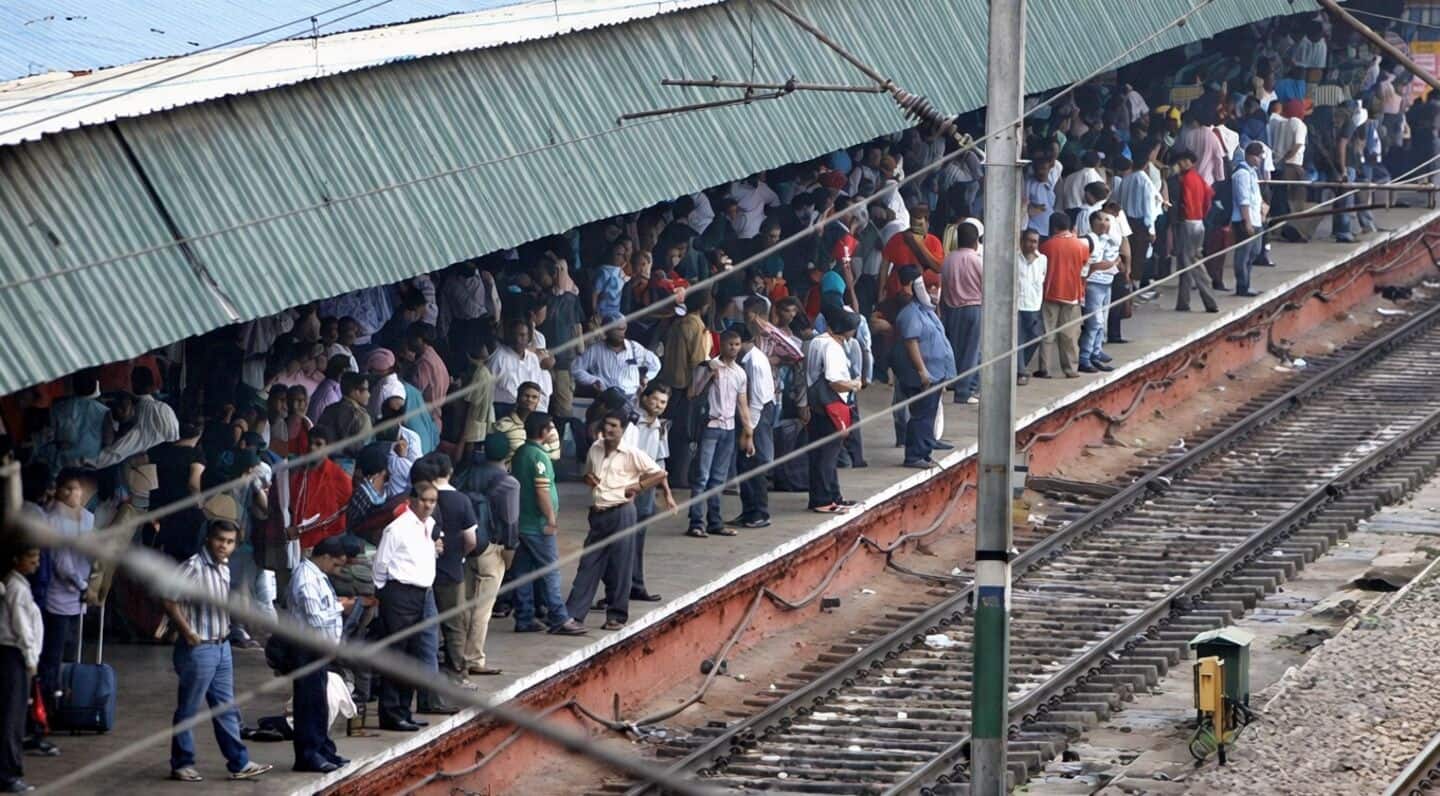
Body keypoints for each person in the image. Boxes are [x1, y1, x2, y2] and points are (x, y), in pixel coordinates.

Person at [164, 520, 272, 782]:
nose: (224, 545)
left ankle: (239, 763)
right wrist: (188, 632)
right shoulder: (193, 567)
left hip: (222, 646)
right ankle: (182, 763)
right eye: (219, 539)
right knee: (188, 709)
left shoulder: (223, 568)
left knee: (225, 707)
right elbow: (169, 599)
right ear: (208, 539)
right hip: (198, 648)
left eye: (229, 541)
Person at [566, 412, 674, 630]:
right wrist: (589, 479)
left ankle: (616, 615)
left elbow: (660, 473)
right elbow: (587, 473)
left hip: (622, 512)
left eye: (614, 426)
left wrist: (639, 487)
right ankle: (573, 616)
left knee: (620, 565)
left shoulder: (632, 453)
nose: (609, 429)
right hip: (598, 512)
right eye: (606, 424)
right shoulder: (595, 448)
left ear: (623, 430)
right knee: (588, 564)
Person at [372, 483, 442, 732]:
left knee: (413, 654)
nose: (429, 505)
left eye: (433, 501)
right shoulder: (397, 528)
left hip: (421, 594)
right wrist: (386, 592)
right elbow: (380, 565)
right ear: (412, 500)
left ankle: (404, 710)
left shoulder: (429, 527)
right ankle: (391, 713)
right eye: (424, 500)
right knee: (396, 654)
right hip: (399, 593)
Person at [452, 434, 526, 667]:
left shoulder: (467, 474)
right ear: (507, 454)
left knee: (463, 603)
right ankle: (473, 658)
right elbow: (511, 522)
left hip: (464, 545)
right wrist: (510, 549)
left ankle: (455, 653)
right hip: (491, 548)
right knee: (482, 608)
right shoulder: (508, 483)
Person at [511, 415, 586, 635]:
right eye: (551, 428)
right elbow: (542, 490)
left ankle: (524, 617)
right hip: (538, 524)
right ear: (543, 432)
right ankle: (559, 618)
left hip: (522, 522)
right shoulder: (539, 457)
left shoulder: (520, 453)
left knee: (523, 572)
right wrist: (551, 518)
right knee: (551, 571)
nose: (554, 432)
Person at [410, 453, 480, 684]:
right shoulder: (461, 500)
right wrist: (459, 555)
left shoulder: (415, 500)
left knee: (423, 627)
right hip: (451, 570)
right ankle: (458, 673)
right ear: (449, 472)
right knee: (455, 625)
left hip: (420, 573)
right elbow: (471, 539)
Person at [288, 536, 350, 773]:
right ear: (325, 557)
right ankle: (308, 755)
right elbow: (315, 617)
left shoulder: (318, 576)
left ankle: (323, 749)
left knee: (319, 703)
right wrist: (339, 606)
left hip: (320, 648)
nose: (337, 570)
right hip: (306, 648)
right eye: (336, 564)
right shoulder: (305, 578)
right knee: (308, 703)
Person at [685, 329, 754, 538]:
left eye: (737, 344)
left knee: (718, 478)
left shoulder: (740, 373)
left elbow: (742, 404)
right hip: (710, 427)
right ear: (721, 345)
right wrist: (708, 375)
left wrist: (749, 432)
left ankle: (714, 521)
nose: (733, 348)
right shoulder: (708, 366)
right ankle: (696, 522)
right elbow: (692, 392)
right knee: (702, 477)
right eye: (730, 344)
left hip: (729, 429)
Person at [38, 469, 92, 716]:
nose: (73, 493)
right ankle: (47, 708)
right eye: (67, 489)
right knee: (52, 653)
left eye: (77, 488)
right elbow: (61, 563)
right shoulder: (52, 520)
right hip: (58, 595)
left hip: (79, 596)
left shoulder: (88, 519)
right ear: (58, 491)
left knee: (67, 652)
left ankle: (59, 702)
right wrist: (84, 585)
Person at [893, 266, 956, 468]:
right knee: (921, 415)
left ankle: (925, 451)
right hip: (924, 375)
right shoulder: (910, 313)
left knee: (928, 415)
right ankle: (915, 455)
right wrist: (922, 372)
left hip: (937, 373)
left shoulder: (926, 311)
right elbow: (911, 343)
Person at [657, 290, 714, 489]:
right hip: (687, 385)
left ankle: (671, 473)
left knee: (672, 432)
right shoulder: (696, 325)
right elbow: (698, 361)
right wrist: (697, 387)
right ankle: (679, 477)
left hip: (671, 382)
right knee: (686, 432)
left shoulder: (677, 323)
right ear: (704, 306)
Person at [806, 311, 862, 512]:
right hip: (830, 405)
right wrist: (854, 385)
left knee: (823, 454)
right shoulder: (833, 347)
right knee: (827, 456)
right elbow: (835, 382)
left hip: (817, 405)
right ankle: (823, 500)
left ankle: (832, 496)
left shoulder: (818, 341)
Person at [1, 542, 43, 794]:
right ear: (17, 559)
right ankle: (8, 774)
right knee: (12, 720)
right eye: (31, 558)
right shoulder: (16, 587)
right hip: (14, 656)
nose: (36, 563)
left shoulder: (18, 585)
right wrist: (30, 658)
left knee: (13, 717)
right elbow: (22, 628)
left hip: (16, 656)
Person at [621, 384, 670, 597]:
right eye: (655, 400)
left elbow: (660, 462)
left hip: (647, 487)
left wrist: (666, 492)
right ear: (644, 398)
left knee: (638, 538)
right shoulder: (632, 422)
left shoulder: (660, 426)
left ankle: (636, 585)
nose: (658, 406)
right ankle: (618, 590)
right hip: (629, 485)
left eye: (663, 402)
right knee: (623, 539)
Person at [731, 328, 775, 530]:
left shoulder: (753, 363)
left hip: (757, 416)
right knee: (744, 465)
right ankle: (749, 510)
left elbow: (756, 401)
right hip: (753, 415)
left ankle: (759, 512)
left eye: (736, 344)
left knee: (754, 464)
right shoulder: (751, 358)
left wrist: (748, 432)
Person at [1036, 213, 1089, 378]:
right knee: (1070, 335)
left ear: (1053, 227)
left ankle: (1044, 368)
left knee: (1047, 333)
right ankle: (1071, 369)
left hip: (1050, 294)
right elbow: (1085, 271)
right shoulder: (1081, 246)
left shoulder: (1046, 246)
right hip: (1073, 295)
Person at [570, 314, 661, 408]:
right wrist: (594, 380)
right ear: (606, 330)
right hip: (606, 399)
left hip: (631, 400)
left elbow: (655, 365)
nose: (622, 333)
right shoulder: (595, 350)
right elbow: (575, 369)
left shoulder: (634, 348)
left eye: (624, 329)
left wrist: (646, 377)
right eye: (617, 329)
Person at [940, 222, 983, 404]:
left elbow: (945, 285)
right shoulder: (978, 260)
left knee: (956, 349)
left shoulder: (948, 259)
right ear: (976, 241)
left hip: (952, 308)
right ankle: (965, 391)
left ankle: (956, 383)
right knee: (972, 351)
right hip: (974, 308)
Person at [1171, 151, 1220, 313]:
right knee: (1187, 262)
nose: (1182, 164)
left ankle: (1210, 301)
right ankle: (1182, 302)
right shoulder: (1198, 177)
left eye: (1184, 160)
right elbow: (1209, 197)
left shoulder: (1183, 180)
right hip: (1198, 221)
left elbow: (1181, 202)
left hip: (1187, 222)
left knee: (1191, 262)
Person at [1078, 211, 1120, 374]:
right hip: (1093, 284)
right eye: (1100, 220)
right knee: (1094, 322)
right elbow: (1088, 265)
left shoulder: (1106, 239)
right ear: (1092, 222)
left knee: (1101, 322)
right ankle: (1085, 358)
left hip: (1106, 282)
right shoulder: (1087, 240)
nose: (1104, 223)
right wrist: (1106, 265)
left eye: (1107, 220)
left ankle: (1095, 354)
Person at [488, 317, 549, 417]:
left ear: (528, 337)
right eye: (514, 335)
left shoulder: (532, 358)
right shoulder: (499, 356)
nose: (518, 339)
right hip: (503, 410)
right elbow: (487, 389)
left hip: (528, 410)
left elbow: (537, 388)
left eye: (522, 335)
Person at [1231, 142, 1266, 298]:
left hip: (1256, 219)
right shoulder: (1242, 175)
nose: (1260, 160)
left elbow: (1256, 198)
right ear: (1251, 156)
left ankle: (1247, 283)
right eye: (1259, 157)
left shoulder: (1252, 172)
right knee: (1243, 255)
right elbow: (1243, 200)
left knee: (1254, 252)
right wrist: (1247, 222)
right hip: (1245, 220)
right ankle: (1242, 286)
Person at [313, 372, 372, 461]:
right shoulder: (361, 416)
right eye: (366, 390)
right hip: (348, 467)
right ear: (355, 392)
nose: (369, 394)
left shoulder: (329, 409)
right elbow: (363, 450)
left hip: (323, 462)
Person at [1016, 229, 1049, 385]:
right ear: (1022, 241)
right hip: (1017, 306)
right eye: (1029, 241)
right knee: (1019, 340)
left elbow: (1043, 280)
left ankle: (1019, 367)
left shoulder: (1042, 259)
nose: (1032, 244)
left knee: (1035, 338)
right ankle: (1021, 372)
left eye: (1035, 241)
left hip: (1034, 306)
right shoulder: (1015, 258)